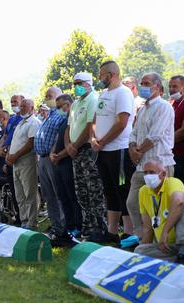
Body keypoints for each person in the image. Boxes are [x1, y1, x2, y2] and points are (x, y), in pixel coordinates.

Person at [92, 62, 136, 242]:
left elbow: (121, 122)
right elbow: (95, 120)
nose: (100, 78)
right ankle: (111, 232)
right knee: (109, 190)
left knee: (123, 189)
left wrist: (103, 141)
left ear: (111, 74)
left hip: (119, 149)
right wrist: (94, 139)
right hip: (102, 150)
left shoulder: (123, 93)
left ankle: (129, 232)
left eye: (102, 75)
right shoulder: (103, 94)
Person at [128, 73, 175, 239]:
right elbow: (133, 133)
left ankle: (162, 242)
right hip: (141, 166)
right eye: (141, 83)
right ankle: (143, 240)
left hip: (159, 165)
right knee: (133, 203)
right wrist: (133, 149)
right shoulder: (142, 109)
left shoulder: (164, 107)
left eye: (146, 83)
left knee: (160, 207)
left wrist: (137, 152)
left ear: (157, 86)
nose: (143, 86)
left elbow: (155, 136)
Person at [65, 72, 108, 243]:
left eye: (79, 83)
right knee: (81, 191)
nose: (76, 86)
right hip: (75, 152)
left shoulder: (93, 100)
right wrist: (68, 145)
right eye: (74, 83)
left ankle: (100, 228)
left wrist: (75, 145)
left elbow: (90, 125)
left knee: (94, 190)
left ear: (89, 83)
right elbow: (69, 126)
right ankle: (88, 227)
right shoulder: (76, 103)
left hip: (87, 151)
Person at [134, 159, 184, 265]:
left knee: (182, 211)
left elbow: (178, 202)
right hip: (168, 246)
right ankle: (180, 261)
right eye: (145, 173)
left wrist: (164, 232)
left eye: (152, 172)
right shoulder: (143, 191)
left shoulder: (173, 182)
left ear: (164, 174)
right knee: (140, 251)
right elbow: (147, 228)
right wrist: (144, 249)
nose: (148, 176)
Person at [36, 92, 74, 246]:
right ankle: (56, 229)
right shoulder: (50, 115)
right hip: (43, 158)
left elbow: (60, 137)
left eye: (50, 95)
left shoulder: (63, 117)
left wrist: (54, 153)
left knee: (59, 195)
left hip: (55, 159)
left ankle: (65, 229)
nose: (47, 97)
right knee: (49, 196)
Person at [50, 94, 82, 239]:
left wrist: (60, 155)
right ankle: (68, 226)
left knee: (72, 196)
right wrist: (52, 153)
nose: (58, 110)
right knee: (62, 196)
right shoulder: (64, 121)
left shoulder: (75, 120)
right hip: (58, 163)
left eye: (59, 106)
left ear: (68, 104)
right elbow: (57, 138)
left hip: (67, 162)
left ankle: (77, 226)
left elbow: (72, 142)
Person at [7, 98, 39, 230]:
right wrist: (10, 155)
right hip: (16, 162)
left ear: (32, 107)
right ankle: (24, 220)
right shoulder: (21, 123)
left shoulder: (34, 122)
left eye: (25, 106)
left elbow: (30, 143)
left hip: (27, 161)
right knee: (19, 194)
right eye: (21, 106)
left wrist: (15, 155)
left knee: (29, 193)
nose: (21, 109)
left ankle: (31, 223)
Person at [169, 75, 184, 191]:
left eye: (175, 86)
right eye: (170, 86)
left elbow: (183, 130)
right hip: (170, 153)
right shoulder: (170, 103)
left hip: (181, 153)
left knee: (183, 186)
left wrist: (166, 142)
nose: (171, 89)